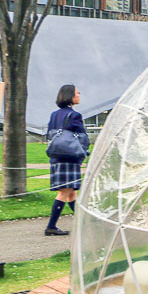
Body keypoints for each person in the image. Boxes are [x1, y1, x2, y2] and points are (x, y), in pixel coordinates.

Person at [45, 85, 91, 236]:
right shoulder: (75, 115)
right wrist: (85, 151)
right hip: (70, 158)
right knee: (64, 192)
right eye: (77, 92)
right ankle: (51, 227)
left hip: (57, 157)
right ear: (70, 96)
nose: (79, 94)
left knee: (71, 193)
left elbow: (49, 135)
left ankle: (83, 224)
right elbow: (83, 138)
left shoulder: (54, 114)